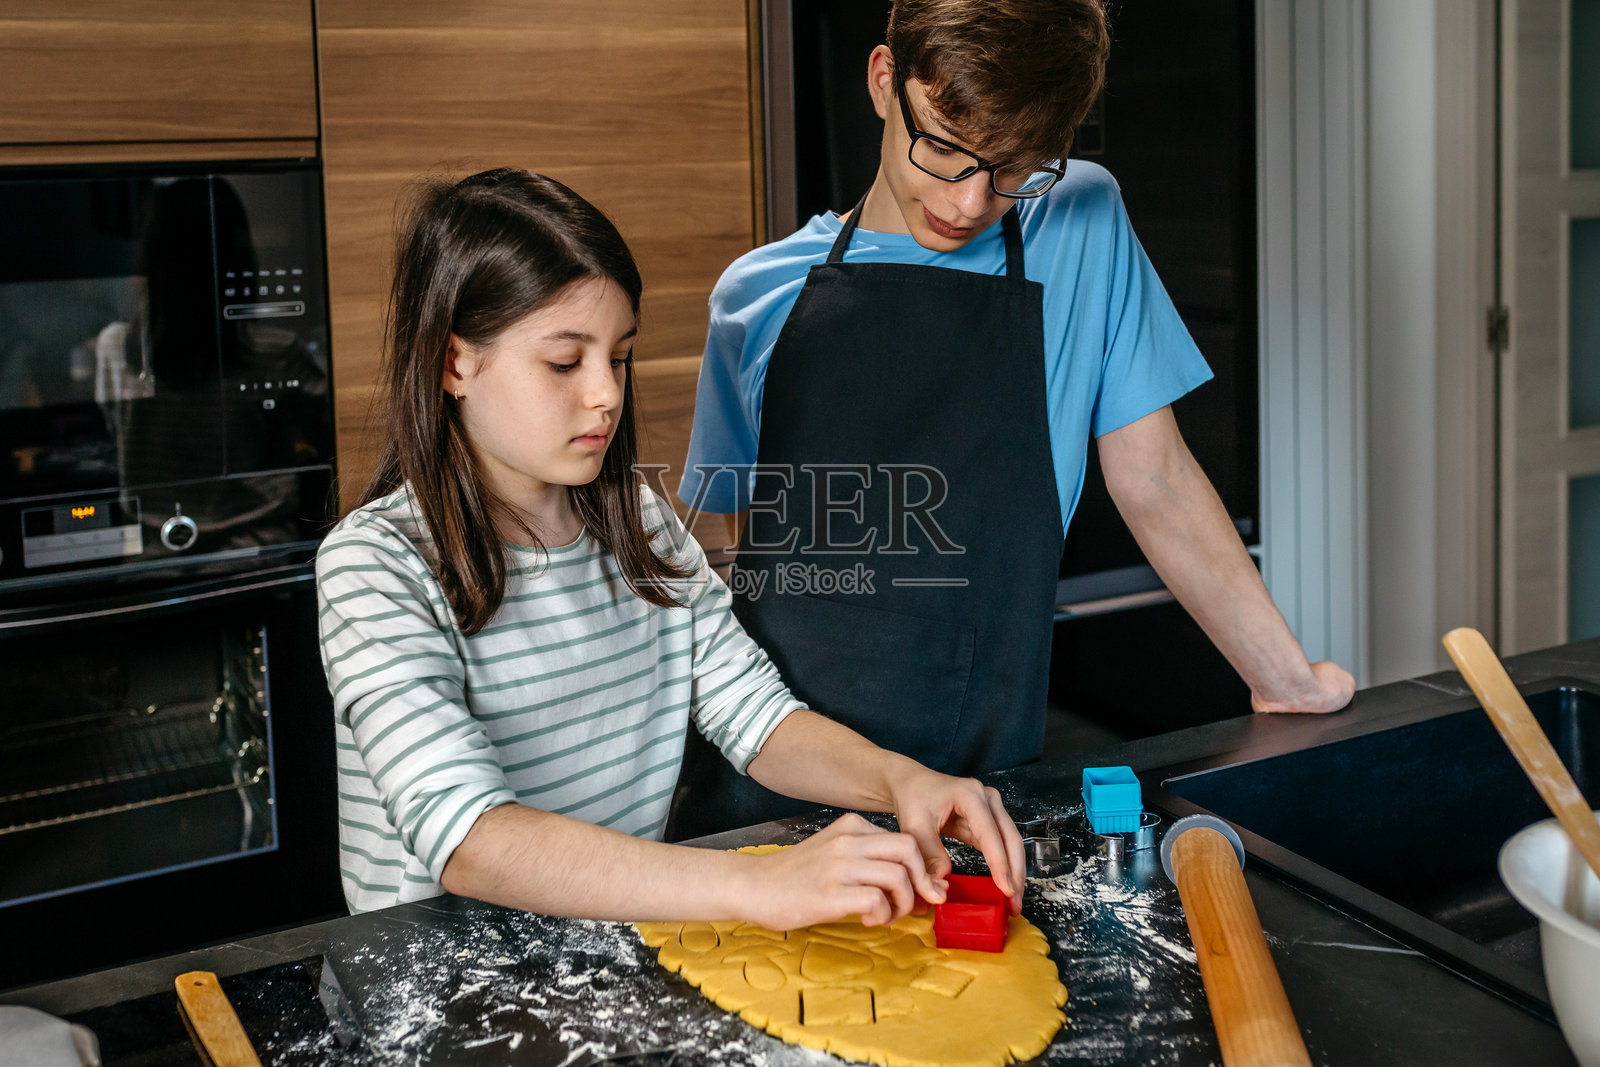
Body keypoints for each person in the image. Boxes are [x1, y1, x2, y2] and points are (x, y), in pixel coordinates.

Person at [669, 0, 1355, 839]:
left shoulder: (1081, 219)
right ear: (886, 82)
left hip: (978, 791)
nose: (966, 201)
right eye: (945, 150)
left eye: (1014, 169)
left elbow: (1156, 475)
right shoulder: (755, 296)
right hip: (774, 789)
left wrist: (1285, 678)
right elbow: (752, 553)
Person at [315, 168, 1027, 929]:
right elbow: (469, 837)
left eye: (617, 356)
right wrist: (757, 885)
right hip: (438, 997)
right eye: (565, 361)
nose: (607, 394)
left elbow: (752, 713)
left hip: (611, 966)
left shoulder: (638, 525)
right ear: (455, 363)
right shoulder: (376, 566)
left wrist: (902, 781)